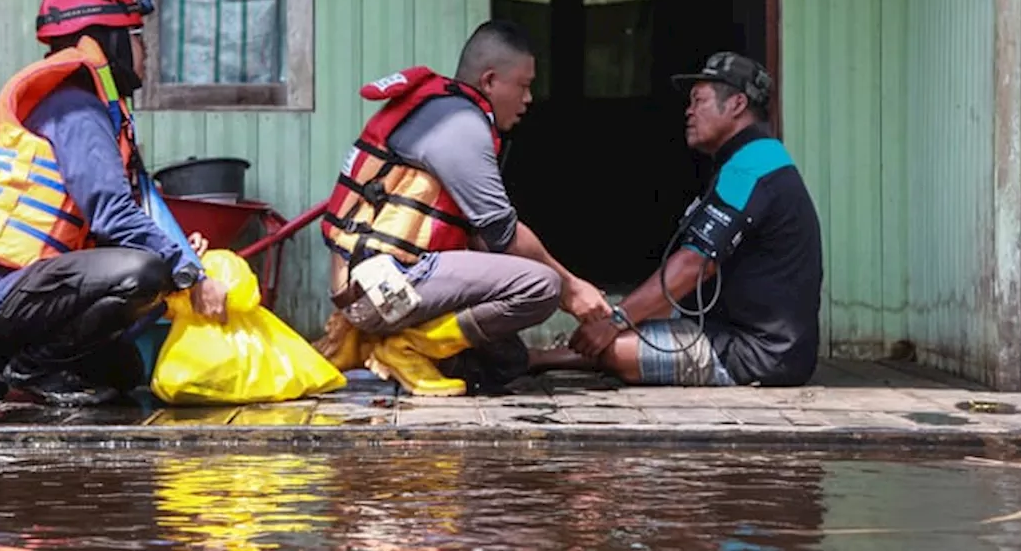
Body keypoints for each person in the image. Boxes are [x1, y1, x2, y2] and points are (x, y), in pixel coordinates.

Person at [0, 0, 227, 407]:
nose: (145, 52)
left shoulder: (85, 103)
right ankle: (34, 366)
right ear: (106, 40)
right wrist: (192, 272)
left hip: (21, 286)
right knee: (145, 274)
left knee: (124, 370)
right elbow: (112, 214)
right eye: (136, 38)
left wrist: (182, 255)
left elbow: (111, 225)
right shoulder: (75, 108)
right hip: (6, 286)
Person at [313, 20, 612, 396]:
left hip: (374, 286)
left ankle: (385, 344)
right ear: (489, 81)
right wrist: (571, 289)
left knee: (503, 364)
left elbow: (477, 240)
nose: (529, 98)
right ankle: (406, 346)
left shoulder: (442, 110)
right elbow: (503, 235)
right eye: (523, 85)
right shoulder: (458, 123)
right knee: (541, 285)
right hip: (384, 287)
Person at [549, 51, 823, 387]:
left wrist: (616, 320)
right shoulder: (754, 158)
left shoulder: (750, 168)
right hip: (736, 332)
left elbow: (695, 264)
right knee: (630, 321)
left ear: (736, 105)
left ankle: (538, 359)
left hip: (758, 353)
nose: (689, 112)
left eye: (699, 100)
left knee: (616, 346)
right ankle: (537, 359)